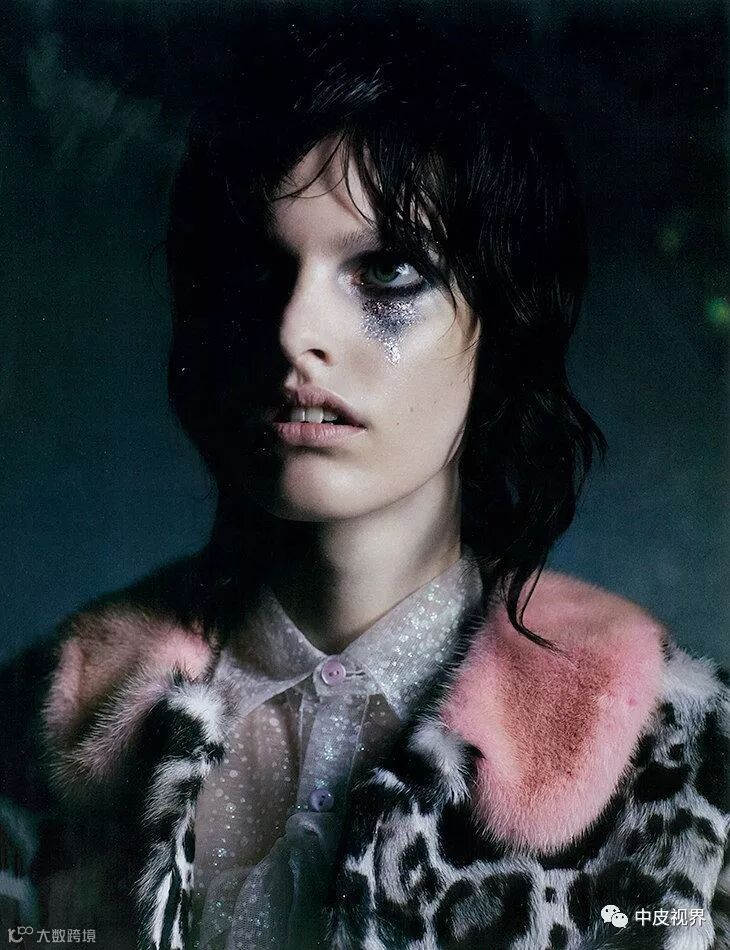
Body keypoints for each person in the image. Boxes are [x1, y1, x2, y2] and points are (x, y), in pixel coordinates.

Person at [2, 18, 728, 950]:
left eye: (387, 272)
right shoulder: (39, 728)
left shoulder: (678, 756)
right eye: (255, 270)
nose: (294, 331)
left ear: (500, 328)